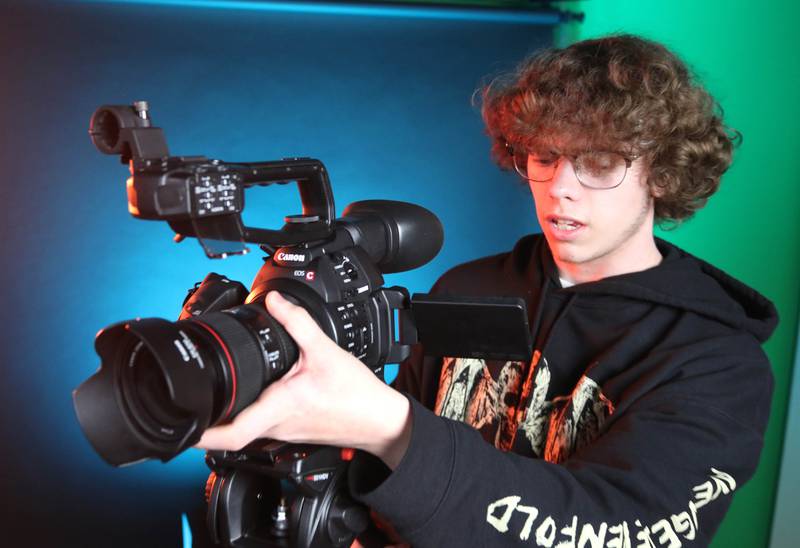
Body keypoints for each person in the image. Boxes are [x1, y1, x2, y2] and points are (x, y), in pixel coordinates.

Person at [197, 34, 778, 547]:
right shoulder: (469, 286)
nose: (561, 189)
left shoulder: (716, 360)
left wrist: (388, 425)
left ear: (664, 171)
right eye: (546, 157)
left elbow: (617, 529)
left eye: (599, 163)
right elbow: (377, 488)